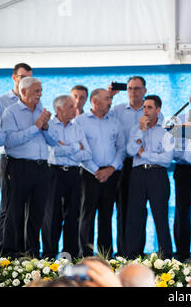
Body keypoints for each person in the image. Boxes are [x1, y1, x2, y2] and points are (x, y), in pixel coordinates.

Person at [0, 76, 58, 257]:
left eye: (41, 91)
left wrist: (46, 127)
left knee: (36, 213)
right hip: (19, 167)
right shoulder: (11, 112)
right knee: (14, 212)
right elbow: (9, 141)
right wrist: (36, 126)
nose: (40, 95)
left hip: (41, 168)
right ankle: (8, 253)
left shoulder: (41, 111)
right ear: (23, 92)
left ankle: (31, 253)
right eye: (36, 91)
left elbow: (54, 141)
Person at [74, 88, 126, 258]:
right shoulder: (79, 122)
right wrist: (96, 170)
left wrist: (111, 169)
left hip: (111, 175)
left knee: (106, 216)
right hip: (89, 174)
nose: (110, 102)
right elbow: (79, 151)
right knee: (86, 216)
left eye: (110, 99)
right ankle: (85, 256)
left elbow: (121, 148)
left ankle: (106, 256)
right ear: (95, 101)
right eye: (106, 99)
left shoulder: (114, 121)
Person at [41, 95, 92, 259]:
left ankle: (70, 257)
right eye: (70, 106)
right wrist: (76, 146)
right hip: (53, 173)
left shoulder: (77, 127)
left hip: (74, 174)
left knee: (73, 217)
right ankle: (49, 258)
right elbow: (53, 151)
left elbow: (87, 154)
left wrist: (66, 148)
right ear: (59, 109)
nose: (75, 109)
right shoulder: (49, 127)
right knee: (51, 216)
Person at [124, 95, 174, 259]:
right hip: (138, 175)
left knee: (160, 216)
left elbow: (166, 160)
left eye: (149, 107)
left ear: (158, 110)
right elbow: (131, 152)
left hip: (157, 175)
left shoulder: (167, 131)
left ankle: (166, 257)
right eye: (144, 107)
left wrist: (144, 153)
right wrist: (141, 131)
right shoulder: (136, 129)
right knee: (135, 216)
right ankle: (133, 255)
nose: (145, 110)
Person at [0, 63, 33, 254]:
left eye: (29, 78)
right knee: (8, 208)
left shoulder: (35, 101)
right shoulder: (2, 101)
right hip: (9, 159)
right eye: (22, 77)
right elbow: (3, 136)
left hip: (30, 162)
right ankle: (5, 251)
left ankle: (24, 252)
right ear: (14, 78)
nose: (25, 81)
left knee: (28, 210)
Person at [109, 76, 147, 257]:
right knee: (122, 208)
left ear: (144, 91)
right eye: (130, 88)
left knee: (139, 210)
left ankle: (138, 250)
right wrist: (110, 95)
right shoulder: (116, 110)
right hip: (121, 164)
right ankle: (123, 251)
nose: (133, 91)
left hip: (141, 164)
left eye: (137, 88)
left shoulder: (151, 110)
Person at [172, 89, 191, 261]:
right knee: (182, 212)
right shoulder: (180, 121)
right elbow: (173, 149)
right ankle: (181, 253)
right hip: (183, 170)